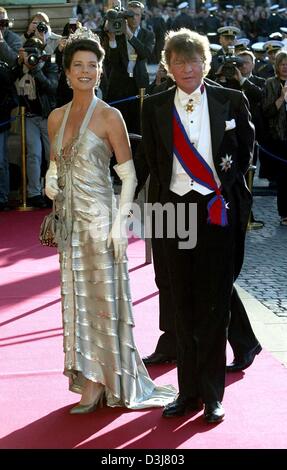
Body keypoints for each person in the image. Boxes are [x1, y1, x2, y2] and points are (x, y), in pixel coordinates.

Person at [44, 27, 176, 414]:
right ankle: (90, 380)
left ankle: (111, 379)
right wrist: (51, 179)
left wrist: (122, 224)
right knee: (77, 298)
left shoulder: (110, 115)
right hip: (69, 224)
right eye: (78, 66)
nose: (86, 71)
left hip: (102, 221)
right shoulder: (55, 117)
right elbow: (56, 162)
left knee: (103, 299)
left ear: (100, 71)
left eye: (93, 65)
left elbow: (130, 175)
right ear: (67, 73)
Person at [139, 28, 255, 424]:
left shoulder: (231, 100)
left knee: (214, 303)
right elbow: (154, 161)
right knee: (179, 302)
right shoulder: (153, 106)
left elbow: (244, 153)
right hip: (172, 213)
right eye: (179, 61)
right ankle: (186, 392)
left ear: (205, 63)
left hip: (215, 212)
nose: (188, 68)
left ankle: (212, 394)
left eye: (194, 61)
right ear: (168, 66)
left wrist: (220, 194)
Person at [261, 51, 287, 226]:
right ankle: (285, 213)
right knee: (285, 178)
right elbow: (267, 111)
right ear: (277, 66)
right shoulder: (271, 84)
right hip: (281, 137)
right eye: (282, 64)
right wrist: (282, 97)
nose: (285, 67)